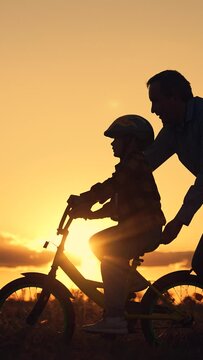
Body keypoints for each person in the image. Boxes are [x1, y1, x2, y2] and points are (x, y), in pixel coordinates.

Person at [67, 114, 165, 334]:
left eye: (117, 138)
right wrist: (87, 214)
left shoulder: (135, 163)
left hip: (144, 228)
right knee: (98, 242)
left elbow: (111, 186)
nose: (112, 143)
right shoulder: (129, 167)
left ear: (131, 140)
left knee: (108, 251)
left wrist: (84, 198)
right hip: (137, 228)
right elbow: (114, 205)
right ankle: (131, 282)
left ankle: (114, 318)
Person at [145, 70, 203, 244]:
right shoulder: (173, 130)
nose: (153, 110)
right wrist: (95, 195)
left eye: (156, 101)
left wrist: (179, 221)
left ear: (175, 97)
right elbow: (143, 165)